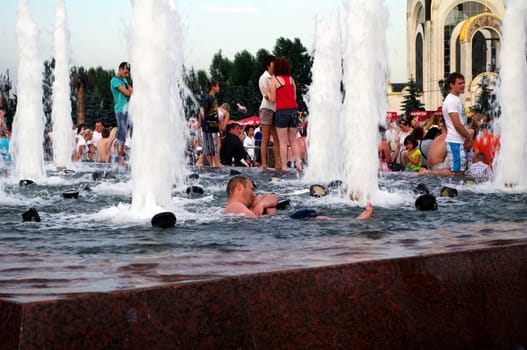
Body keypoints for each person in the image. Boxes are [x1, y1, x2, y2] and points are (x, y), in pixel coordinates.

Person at [224, 175, 372, 220]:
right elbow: (254, 221)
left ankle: (352, 220)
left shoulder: (247, 205)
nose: (254, 194)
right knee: (310, 216)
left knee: (310, 216)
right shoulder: (234, 207)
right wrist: (270, 212)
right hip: (281, 225)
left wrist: (263, 205)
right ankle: (353, 220)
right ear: (239, 187)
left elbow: (273, 197)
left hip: (282, 223)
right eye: (251, 189)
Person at [268, 56, 302, 172]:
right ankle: (298, 163)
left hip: (282, 111)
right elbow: (295, 97)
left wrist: (267, 92)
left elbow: (272, 99)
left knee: (283, 142)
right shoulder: (291, 79)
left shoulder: (275, 80)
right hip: (293, 110)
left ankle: (284, 166)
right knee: (293, 140)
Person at [442, 72, 472, 175]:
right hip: (455, 141)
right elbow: (457, 124)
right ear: (451, 85)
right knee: (458, 173)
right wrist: (469, 137)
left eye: (463, 83)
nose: (463, 85)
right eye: (459, 83)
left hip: (458, 141)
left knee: (459, 171)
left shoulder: (455, 99)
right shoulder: (451, 101)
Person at [258, 55, 281, 171]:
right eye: (273, 64)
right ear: (268, 65)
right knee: (265, 138)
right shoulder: (264, 78)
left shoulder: (275, 78)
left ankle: (278, 164)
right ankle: (264, 164)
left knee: (276, 138)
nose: (275, 66)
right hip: (267, 109)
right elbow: (267, 96)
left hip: (275, 108)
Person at [110, 62, 133, 165]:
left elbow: (131, 90)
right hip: (120, 110)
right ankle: (120, 159)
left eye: (128, 73)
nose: (127, 75)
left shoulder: (124, 80)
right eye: (126, 72)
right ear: (120, 69)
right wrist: (130, 89)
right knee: (122, 134)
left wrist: (130, 89)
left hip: (129, 110)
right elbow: (128, 92)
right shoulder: (114, 80)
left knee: (133, 131)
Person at [199, 80, 221, 167]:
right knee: (211, 144)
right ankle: (215, 162)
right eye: (218, 86)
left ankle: (214, 163)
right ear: (213, 87)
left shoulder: (213, 99)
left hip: (213, 125)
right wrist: (204, 122)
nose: (219, 88)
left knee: (212, 143)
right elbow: (203, 111)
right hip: (209, 125)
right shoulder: (208, 98)